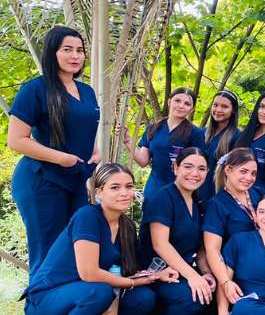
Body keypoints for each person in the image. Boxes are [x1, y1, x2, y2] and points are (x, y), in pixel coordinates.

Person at [8, 26, 101, 280]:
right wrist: (62, 158)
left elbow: (85, 128)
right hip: (42, 181)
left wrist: (95, 150)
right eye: (67, 49)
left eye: (80, 50)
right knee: (48, 255)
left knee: (78, 252)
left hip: (76, 181)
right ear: (52, 53)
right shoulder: (35, 89)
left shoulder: (87, 92)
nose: (75, 56)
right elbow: (16, 140)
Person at [22, 164, 177, 315]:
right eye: (115, 187)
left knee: (143, 298)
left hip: (87, 290)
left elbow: (123, 269)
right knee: (99, 293)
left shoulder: (126, 225)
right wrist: (133, 283)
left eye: (129, 186)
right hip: (50, 295)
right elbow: (89, 274)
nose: (124, 192)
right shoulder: (87, 216)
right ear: (99, 192)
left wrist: (156, 274)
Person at [202, 148, 265, 315]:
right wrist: (225, 282)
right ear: (228, 170)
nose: (249, 178)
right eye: (243, 171)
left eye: (253, 173)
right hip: (238, 271)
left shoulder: (258, 193)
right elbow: (212, 250)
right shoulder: (217, 205)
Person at [138, 147, 215, 314]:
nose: (195, 173)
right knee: (193, 297)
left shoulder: (199, 202)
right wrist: (193, 277)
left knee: (211, 292)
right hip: (157, 271)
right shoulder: (162, 198)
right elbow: (160, 244)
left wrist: (206, 273)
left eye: (201, 169)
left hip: (181, 270)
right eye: (188, 166)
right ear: (175, 168)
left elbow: (201, 247)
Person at [124, 87, 206, 200]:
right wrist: (128, 141)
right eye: (177, 101)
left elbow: (199, 167)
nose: (181, 106)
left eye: (187, 104)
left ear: (192, 109)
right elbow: (143, 161)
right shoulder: (153, 128)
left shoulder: (195, 133)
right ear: (169, 102)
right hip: (154, 188)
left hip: (180, 191)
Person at [200, 89, 241, 202]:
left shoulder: (237, 137)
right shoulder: (202, 133)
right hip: (195, 191)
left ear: (233, 110)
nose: (218, 110)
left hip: (218, 195)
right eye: (215, 105)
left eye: (224, 106)